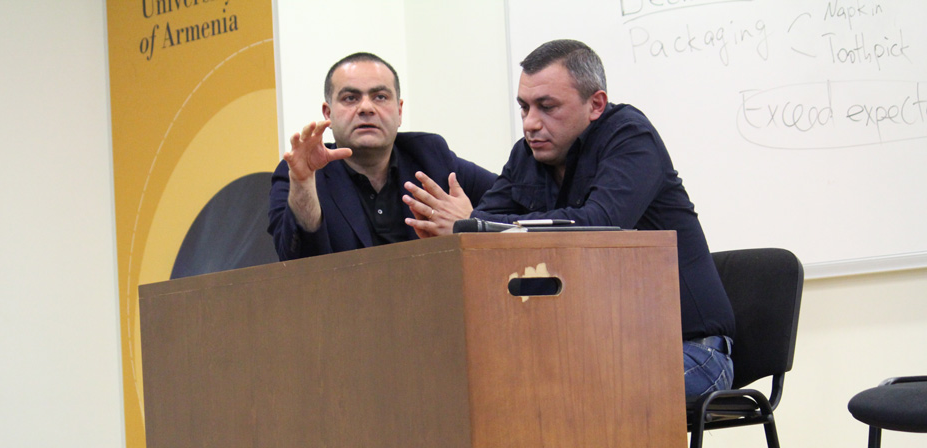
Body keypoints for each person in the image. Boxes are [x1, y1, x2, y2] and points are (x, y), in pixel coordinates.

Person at [403, 39, 735, 399]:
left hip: (691, 350)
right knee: (478, 388)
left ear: (596, 104)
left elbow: (598, 225)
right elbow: (485, 229)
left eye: (547, 107)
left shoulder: (630, 137)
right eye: (524, 107)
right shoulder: (526, 155)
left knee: (571, 398)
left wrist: (472, 225)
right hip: (596, 351)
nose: (530, 123)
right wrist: (466, 231)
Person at [267, 52, 496, 261]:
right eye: (350, 98)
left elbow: (512, 202)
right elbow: (296, 261)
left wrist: (471, 222)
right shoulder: (302, 172)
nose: (366, 108)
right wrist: (303, 184)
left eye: (380, 97)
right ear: (328, 114)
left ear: (399, 111)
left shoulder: (430, 156)